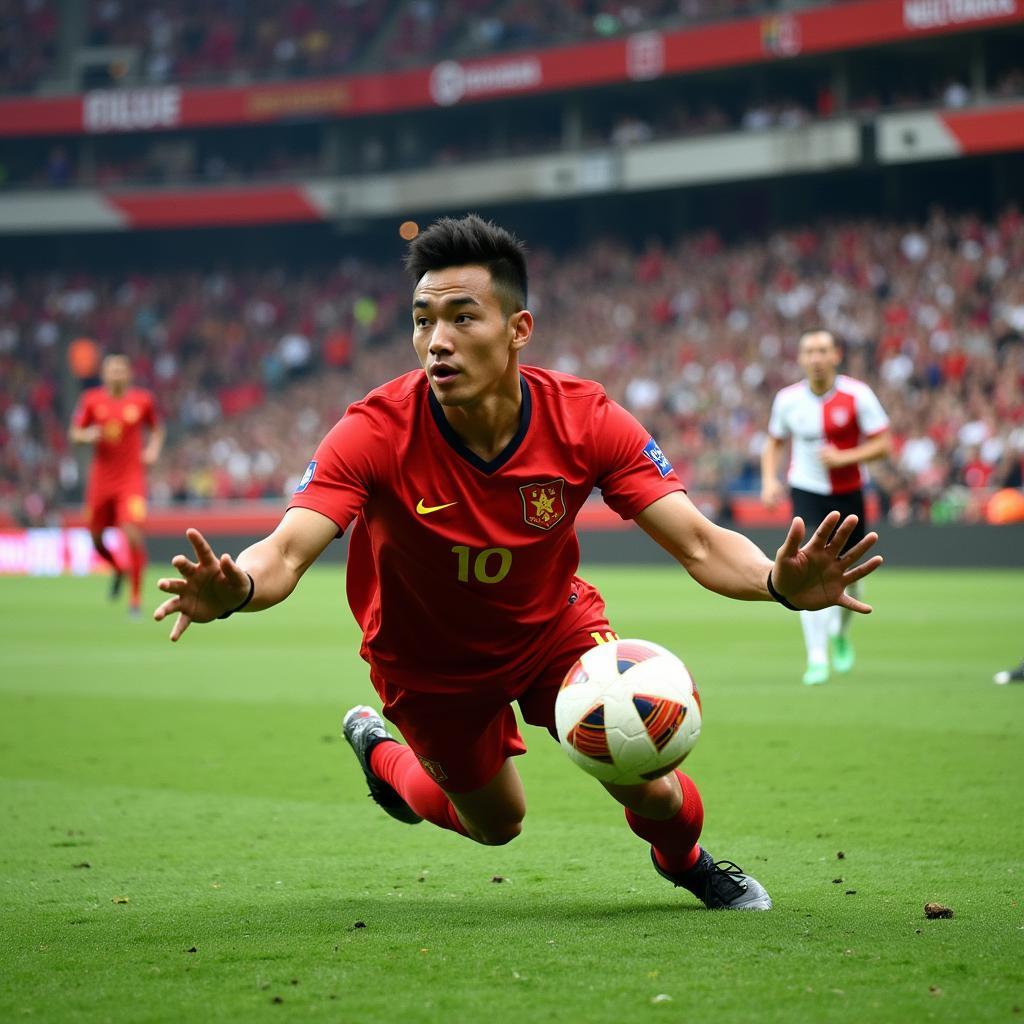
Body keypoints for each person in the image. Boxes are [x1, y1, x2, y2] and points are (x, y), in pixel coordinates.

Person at [155, 216, 883, 911]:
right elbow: (284, 551)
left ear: (517, 329)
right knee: (496, 823)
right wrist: (240, 586)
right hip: (426, 662)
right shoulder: (373, 432)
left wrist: (777, 584)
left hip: (553, 631)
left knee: (647, 778)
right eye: (422, 320)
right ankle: (380, 751)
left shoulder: (586, 418)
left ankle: (687, 863)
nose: (436, 340)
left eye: (462, 317)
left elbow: (696, 540)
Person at [760, 329, 891, 686]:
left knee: (853, 581)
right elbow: (773, 444)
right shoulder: (787, 400)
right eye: (808, 351)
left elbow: (884, 445)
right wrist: (770, 480)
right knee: (804, 570)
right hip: (806, 491)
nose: (815, 357)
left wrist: (845, 457)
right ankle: (816, 658)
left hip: (849, 494)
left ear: (836, 355)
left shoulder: (857, 394)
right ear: (801, 359)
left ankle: (840, 634)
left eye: (822, 350)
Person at [70, 354, 164, 616]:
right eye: (112, 369)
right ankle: (118, 569)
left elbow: (157, 429)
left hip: (131, 479)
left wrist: (153, 449)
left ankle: (135, 601)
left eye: (121, 369)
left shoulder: (142, 400)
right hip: (100, 480)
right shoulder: (91, 400)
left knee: (132, 534)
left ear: (129, 374)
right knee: (96, 539)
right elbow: (75, 433)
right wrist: (88, 435)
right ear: (104, 374)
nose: (117, 374)